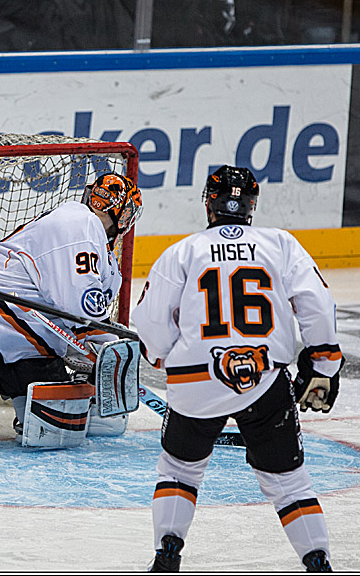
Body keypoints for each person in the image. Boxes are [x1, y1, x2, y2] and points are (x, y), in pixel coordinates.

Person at [132, 166, 344, 573]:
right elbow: (317, 304)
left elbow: (153, 324)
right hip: (265, 380)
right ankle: (317, 562)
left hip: (195, 384)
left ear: (208, 204)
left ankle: (167, 553)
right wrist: (324, 364)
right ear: (251, 205)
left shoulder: (181, 252)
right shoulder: (280, 244)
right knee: (289, 483)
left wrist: (165, 358)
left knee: (179, 471)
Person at [0, 172, 143, 439]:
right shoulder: (80, 222)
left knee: (59, 430)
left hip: (30, 335)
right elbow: (81, 303)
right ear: (124, 214)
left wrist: (91, 353)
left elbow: (80, 316)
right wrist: (107, 348)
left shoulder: (107, 263)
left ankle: (36, 410)